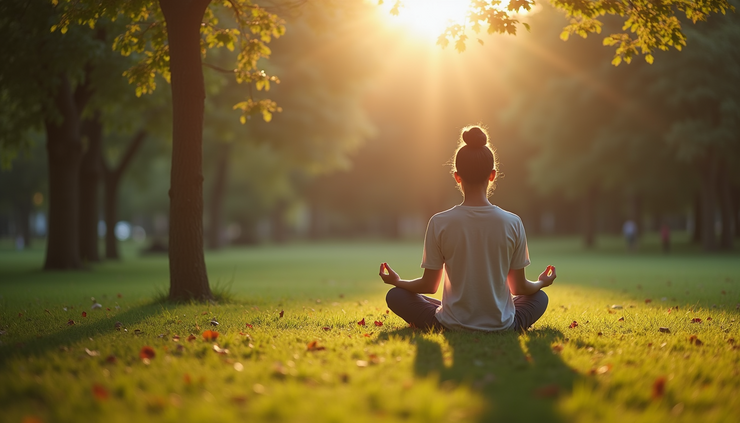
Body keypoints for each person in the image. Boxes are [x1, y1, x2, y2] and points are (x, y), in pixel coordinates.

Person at [378, 126, 556, 332]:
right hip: (503, 324)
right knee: (539, 297)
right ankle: (504, 322)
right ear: (492, 175)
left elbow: (429, 286)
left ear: (457, 176)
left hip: (451, 323)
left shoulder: (439, 222)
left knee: (396, 294)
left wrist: (398, 281)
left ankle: (448, 320)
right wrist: (541, 283)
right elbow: (520, 288)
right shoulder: (512, 222)